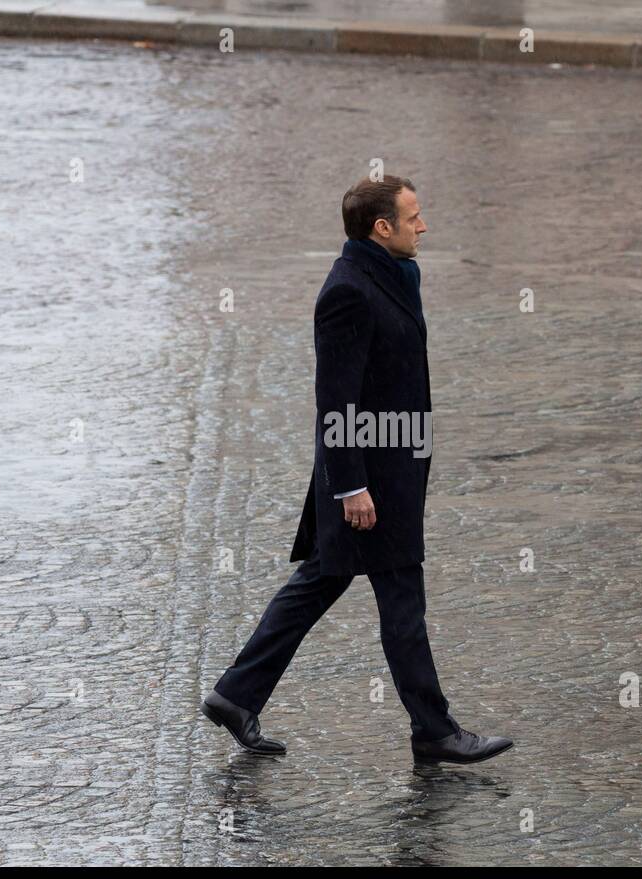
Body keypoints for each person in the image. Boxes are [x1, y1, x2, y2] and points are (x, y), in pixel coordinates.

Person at [201, 174, 512, 765]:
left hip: (393, 466)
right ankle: (434, 730)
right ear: (381, 227)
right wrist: (351, 486)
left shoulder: (399, 274)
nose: (424, 226)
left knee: (320, 581)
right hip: (368, 479)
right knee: (402, 601)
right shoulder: (345, 293)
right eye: (413, 217)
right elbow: (335, 400)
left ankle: (234, 695)